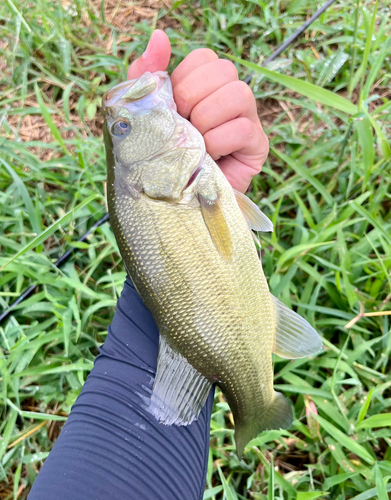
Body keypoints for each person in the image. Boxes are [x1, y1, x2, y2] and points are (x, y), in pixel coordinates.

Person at [28, 29, 269, 500]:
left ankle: (256, 404)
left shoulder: (164, 182)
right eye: (122, 129)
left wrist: (220, 188)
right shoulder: (159, 182)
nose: (122, 117)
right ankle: (258, 406)